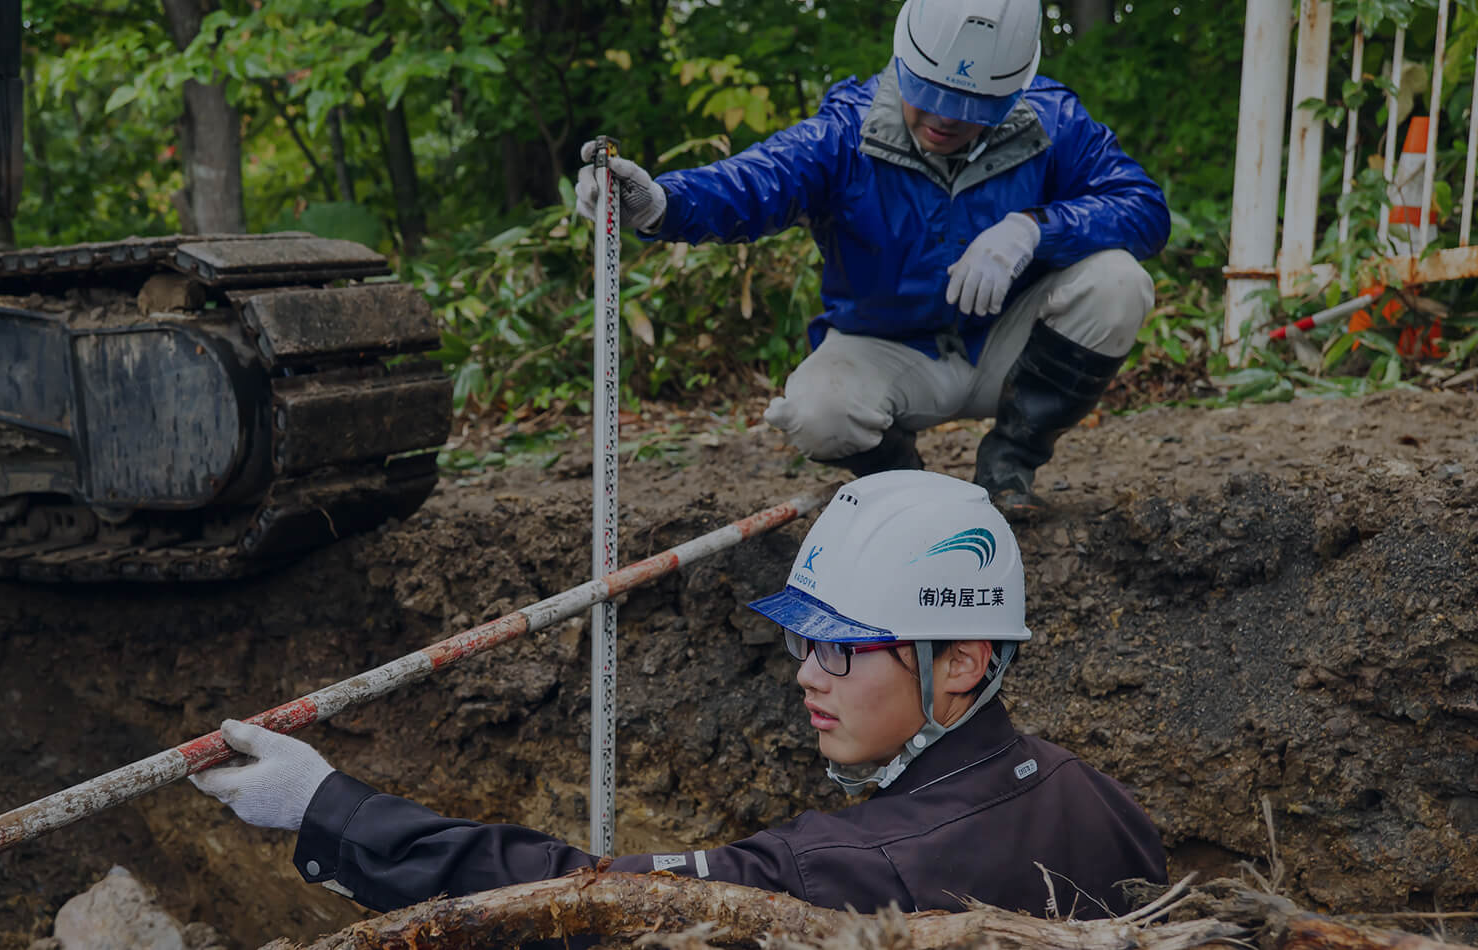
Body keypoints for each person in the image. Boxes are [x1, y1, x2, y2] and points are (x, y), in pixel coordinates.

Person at [189, 470, 1167, 919]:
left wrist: (325, 806)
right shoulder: (1109, 806)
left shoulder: (854, 870)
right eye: (800, 638)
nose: (804, 671)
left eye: (839, 648)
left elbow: (576, 895)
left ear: (959, 661)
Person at [573, 0, 1168, 520]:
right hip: (891, 350)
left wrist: (1034, 230)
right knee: (816, 410)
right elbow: (757, 181)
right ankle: (910, 494)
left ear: (1011, 94)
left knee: (1118, 283)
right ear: (903, 63)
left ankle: (1010, 466)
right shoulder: (845, 133)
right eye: (930, 95)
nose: (943, 119)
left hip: (1009, 344)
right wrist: (662, 203)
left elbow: (1143, 207)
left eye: (969, 107)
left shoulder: (1053, 122)